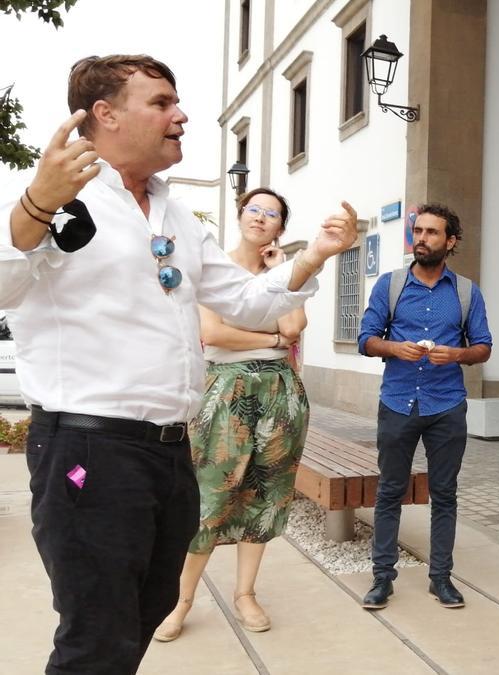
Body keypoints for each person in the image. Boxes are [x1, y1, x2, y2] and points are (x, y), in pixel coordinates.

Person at [0, 54, 357, 674]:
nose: (181, 115)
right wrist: (35, 206)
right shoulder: (52, 194)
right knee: (95, 632)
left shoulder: (176, 217)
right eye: (162, 103)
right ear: (105, 115)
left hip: (169, 452)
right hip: (87, 453)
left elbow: (244, 299)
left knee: (149, 605)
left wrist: (314, 257)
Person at [152, 187, 312, 642]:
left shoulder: (283, 273)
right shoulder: (213, 266)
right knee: (209, 498)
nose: (261, 218)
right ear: (241, 215)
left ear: (281, 227)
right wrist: (274, 338)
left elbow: (294, 326)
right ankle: (179, 601)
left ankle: (246, 593)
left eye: (272, 214)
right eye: (254, 210)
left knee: (267, 493)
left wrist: (281, 275)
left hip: (281, 393)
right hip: (225, 390)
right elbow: (212, 332)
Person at [358, 203, 492, 611]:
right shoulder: (391, 285)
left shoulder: (467, 292)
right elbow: (366, 338)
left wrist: (456, 355)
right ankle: (382, 579)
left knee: (444, 494)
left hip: (447, 405)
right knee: (390, 491)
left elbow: (483, 347)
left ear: (450, 242)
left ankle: (441, 579)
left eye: (433, 233)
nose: (422, 239)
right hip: (398, 402)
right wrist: (394, 347)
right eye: (418, 232)